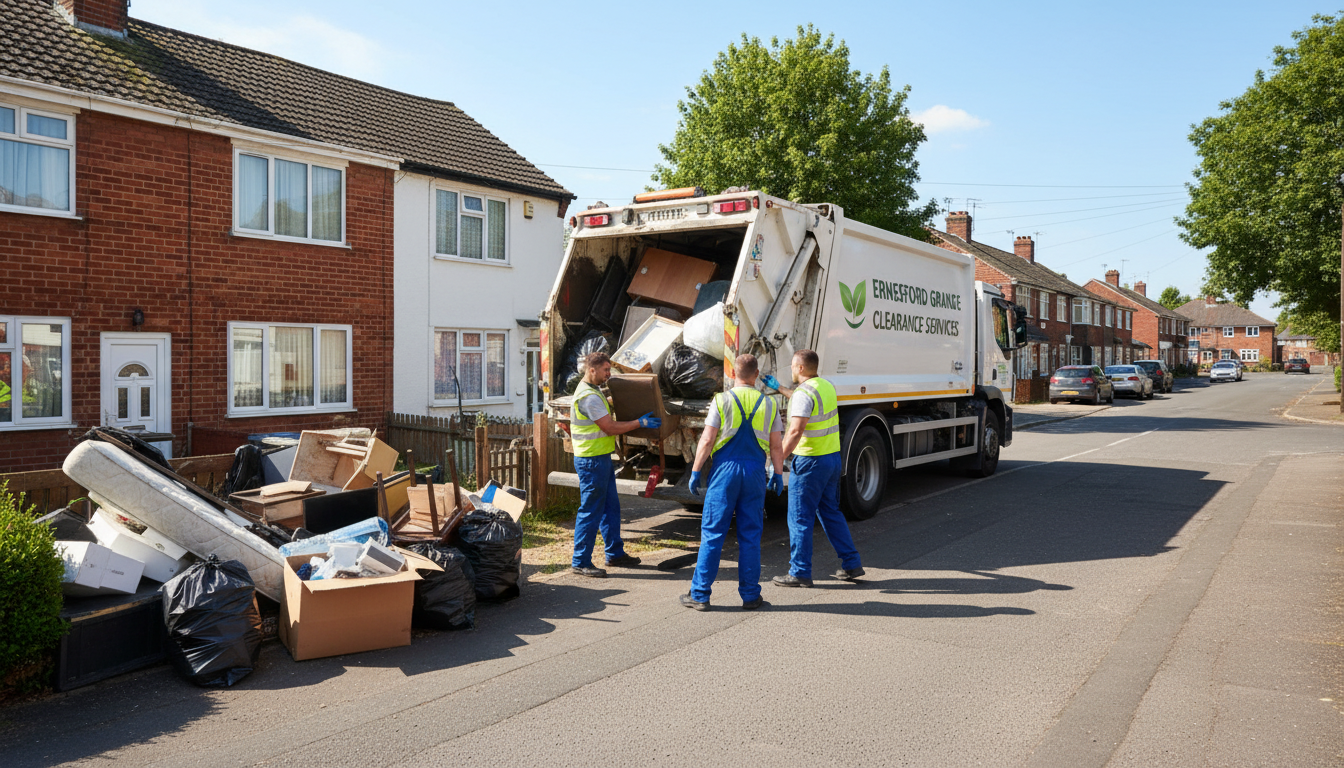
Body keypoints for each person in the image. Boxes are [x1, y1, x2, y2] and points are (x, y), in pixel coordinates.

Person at [680, 354, 785, 611]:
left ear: (732, 374)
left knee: (713, 533)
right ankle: (750, 596)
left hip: (725, 471)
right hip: (754, 472)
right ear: (757, 373)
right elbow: (775, 445)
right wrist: (779, 474)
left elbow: (706, 440)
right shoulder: (769, 404)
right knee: (750, 535)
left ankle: (700, 595)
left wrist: (695, 471)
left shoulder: (721, 400)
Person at [762, 349, 864, 587]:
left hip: (810, 463)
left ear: (800, 368)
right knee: (830, 512)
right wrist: (780, 389)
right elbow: (803, 400)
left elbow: (796, 431)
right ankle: (852, 563)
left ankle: (799, 572)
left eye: (792, 366)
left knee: (799, 517)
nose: (790, 370)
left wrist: (777, 463)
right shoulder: (825, 386)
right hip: (831, 459)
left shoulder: (802, 394)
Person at [569, 352, 661, 578]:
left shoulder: (593, 391)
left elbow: (605, 412)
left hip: (600, 459)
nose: (609, 374)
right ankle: (580, 561)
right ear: (592, 370)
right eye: (606, 370)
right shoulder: (588, 397)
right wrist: (640, 422)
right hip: (591, 461)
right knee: (590, 511)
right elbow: (610, 427)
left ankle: (615, 554)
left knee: (611, 508)